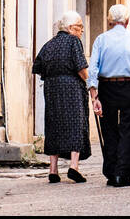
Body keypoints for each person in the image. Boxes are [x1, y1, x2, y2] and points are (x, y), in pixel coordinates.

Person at [87, 3, 130, 187]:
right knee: (129, 131)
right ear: (127, 21)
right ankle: (122, 174)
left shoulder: (101, 40)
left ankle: (111, 172)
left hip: (107, 87)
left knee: (109, 130)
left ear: (109, 21)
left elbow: (93, 68)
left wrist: (94, 95)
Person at [32, 10, 91, 183]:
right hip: (71, 86)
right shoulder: (74, 41)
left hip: (52, 87)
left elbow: (38, 67)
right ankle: (74, 167)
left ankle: (53, 170)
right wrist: (89, 80)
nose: (81, 31)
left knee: (54, 125)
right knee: (75, 123)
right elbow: (81, 68)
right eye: (80, 27)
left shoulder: (49, 44)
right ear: (72, 28)